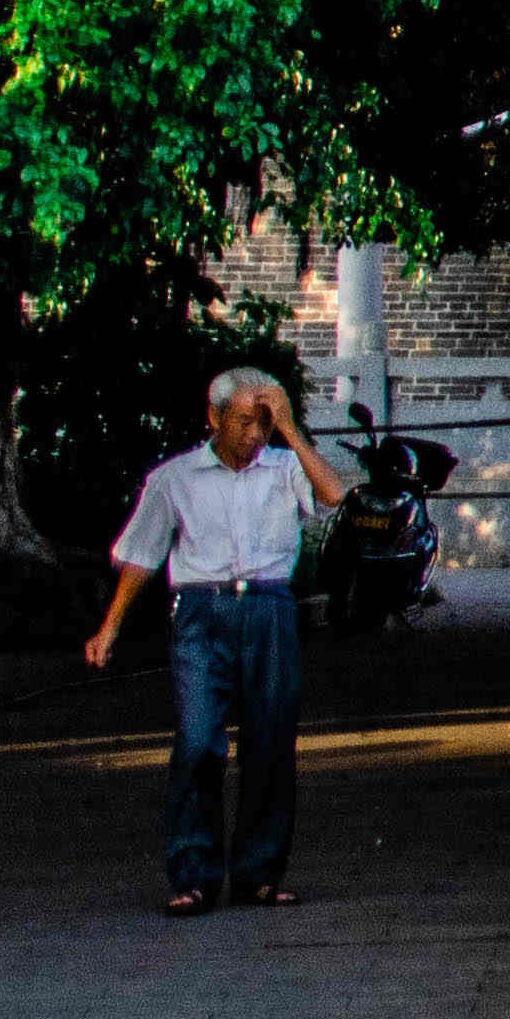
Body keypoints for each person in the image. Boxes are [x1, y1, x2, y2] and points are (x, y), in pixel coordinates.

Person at [86, 368, 357, 916]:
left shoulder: (285, 467)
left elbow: (334, 495)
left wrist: (290, 428)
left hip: (269, 608)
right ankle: (193, 875)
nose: (254, 435)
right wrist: (110, 626)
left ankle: (259, 873)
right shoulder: (175, 478)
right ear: (212, 417)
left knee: (272, 740)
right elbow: (141, 554)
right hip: (200, 611)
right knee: (198, 741)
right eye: (243, 422)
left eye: (262, 422)